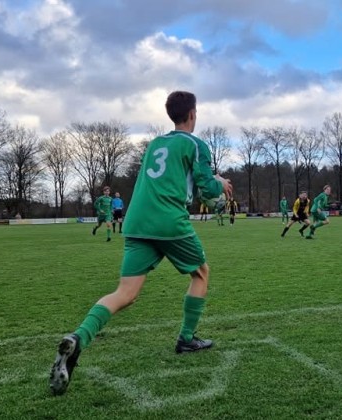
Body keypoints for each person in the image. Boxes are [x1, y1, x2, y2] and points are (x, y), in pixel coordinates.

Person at [49, 90, 232, 396]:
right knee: (201, 273)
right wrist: (221, 184)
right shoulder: (196, 144)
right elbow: (207, 188)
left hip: (136, 222)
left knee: (126, 293)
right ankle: (186, 339)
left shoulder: (155, 145)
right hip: (169, 220)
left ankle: (78, 339)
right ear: (192, 114)